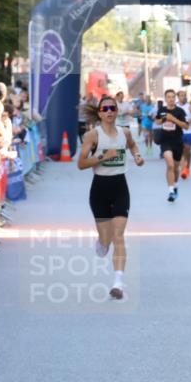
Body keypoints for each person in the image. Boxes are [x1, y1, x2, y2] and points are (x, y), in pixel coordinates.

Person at [76, 94, 145, 299]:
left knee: (119, 236)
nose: (109, 112)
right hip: (99, 189)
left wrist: (137, 156)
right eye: (105, 109)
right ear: (99, 113)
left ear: (117, 111)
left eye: (112, 108)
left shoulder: (124, 132)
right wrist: (102, 157)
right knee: (106, 239)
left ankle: (118, 283)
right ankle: (101, 241)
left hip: (120, 187)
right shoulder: (93, 136)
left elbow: (132, 145)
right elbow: (81, 164)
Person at [154, 88, 188, 202]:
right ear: (165, 99)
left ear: (175, 98)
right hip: (165, 141)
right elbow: (157, 121)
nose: (171, 99)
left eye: (173, 97)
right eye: (168, 97)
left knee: (176, 168)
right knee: (170, 165)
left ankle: (175, 185)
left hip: (177, 142)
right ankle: (171, 191)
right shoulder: (162, 110)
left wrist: (173, 119)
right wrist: (164, 118)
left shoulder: (180, 111)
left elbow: (185, 126)